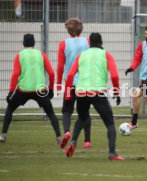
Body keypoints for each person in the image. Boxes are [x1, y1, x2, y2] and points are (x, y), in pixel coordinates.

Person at [64, 32, 124, 160]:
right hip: (97, 93)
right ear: (101, 42)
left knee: (81, 118)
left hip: (81, 93)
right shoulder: (106, 55)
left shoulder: (81, 55)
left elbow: (70, 76)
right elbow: (114, 76)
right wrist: (117, 92)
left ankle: (73, 142)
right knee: (110, 124)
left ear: (89, 43)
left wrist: (68, 93)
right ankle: (112, 153)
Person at [0, 34, 61, 144]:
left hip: (23, 90)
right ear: (34, 43)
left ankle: (3, 135)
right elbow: (51, 73)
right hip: (40, 90)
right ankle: (59, 138)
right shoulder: (41, 54)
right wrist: (51, 89)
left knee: (10, 109)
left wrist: (10, 92)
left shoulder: (19, 55)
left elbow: (15, 74)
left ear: (23, 43)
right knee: (51, 113)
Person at [56, 17, 92, 149]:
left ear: (69, 30)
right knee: (85, 111)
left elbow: (60, 66)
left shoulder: (63, 44)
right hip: (85, 82)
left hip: (70, 82)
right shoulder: (88, 42)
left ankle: (66, 131)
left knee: (67, 110)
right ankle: (87, 140)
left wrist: (59, 83)